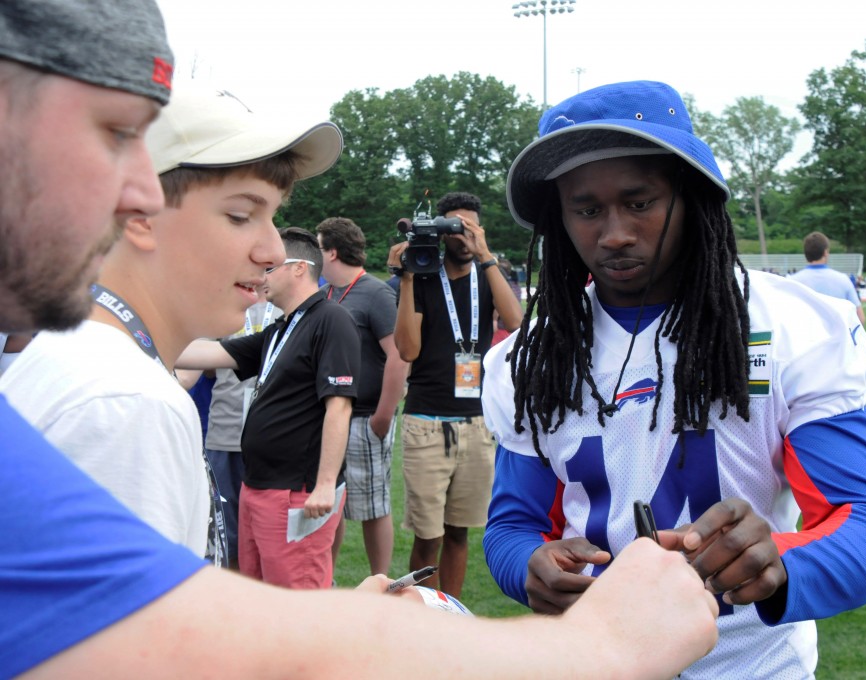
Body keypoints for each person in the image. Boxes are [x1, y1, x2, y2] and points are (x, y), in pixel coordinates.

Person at [0, 3, 720, 677]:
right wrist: (598, 648)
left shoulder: (91, 376)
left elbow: (163, 625)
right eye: (112, 136)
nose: (271, 252)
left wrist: (341, 619)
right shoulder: (118, 399)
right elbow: (158, 652)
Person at [483, 80, 866, 677]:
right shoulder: (527, 359)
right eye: (586, 209)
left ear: (692, 198)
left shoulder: (787, 326)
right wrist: (529, 564)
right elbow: (513, 525)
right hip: (595, 660)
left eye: (639, 202)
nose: (614, 233)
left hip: (754, 665)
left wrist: (777, 563)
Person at [1, 79, 344, 562]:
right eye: (241, 215)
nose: (271, 252)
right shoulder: (127, 403)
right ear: (140, 214)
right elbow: (131, 636)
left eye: (272, 217)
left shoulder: (83, 356)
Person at [178, 227, 360, 589]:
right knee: (261, 598)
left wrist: (324, 485)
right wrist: (136, 332)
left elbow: (339, 406)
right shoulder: (281, 329)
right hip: (258, 487)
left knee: (296, 606)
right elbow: (205, 353)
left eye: (269, 269)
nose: (261, 278)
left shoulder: (330, 319)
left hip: (296, 493)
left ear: (297, 268)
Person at [387, 191, 524, 597]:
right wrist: (408, 274)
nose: (459, 236)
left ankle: (452, 613)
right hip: (427, 421)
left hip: (477, 424)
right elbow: (407, 350)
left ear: (479, 230)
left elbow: (517, 322)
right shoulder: (424, 276)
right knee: (428, 537)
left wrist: (485, 255)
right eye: (452, 228)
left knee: (460, 533)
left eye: (467, 227)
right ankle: (420, 612)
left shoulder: (487, 273)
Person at [317, 216, 408, 576]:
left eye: (320, 247)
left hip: (365, 416)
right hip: (328, 417)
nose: (316, 255)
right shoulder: (325, 294)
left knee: (373, 506)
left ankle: (380, 582)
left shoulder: (375, 292)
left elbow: (399, 355)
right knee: (330, 504)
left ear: (334, 252)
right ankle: (326, 578)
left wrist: (383, 416)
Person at [205, 289, 281, 570]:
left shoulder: (289, 309)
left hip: (272, 438)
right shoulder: (221, 304)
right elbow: (200, 368)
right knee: (226, 534)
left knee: (269, 534)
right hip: (224, 434)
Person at [789, 231, 866, 326]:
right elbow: (860, 318)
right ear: (825, 252)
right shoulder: (843, 279)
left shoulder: (792, 281)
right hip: (838, 339)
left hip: (805, 338)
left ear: (805, 254)